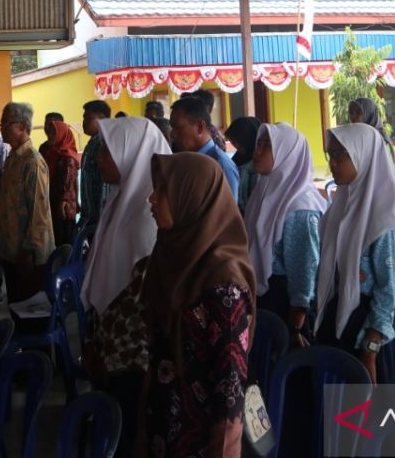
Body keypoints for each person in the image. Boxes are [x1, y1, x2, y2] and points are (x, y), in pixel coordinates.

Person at [140, 152, 256, 457]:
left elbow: (229, 389)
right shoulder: (170, 254)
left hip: (200, 437)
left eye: (163, 190)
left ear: (192, 196)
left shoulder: (224, 283)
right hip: (162, 417)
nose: (152, 199)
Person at [81, 116, 171, 457]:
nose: (100, 158)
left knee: (132, 432)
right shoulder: (120, 204)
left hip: (135, 359)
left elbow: (143, 303)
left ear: (131, 153)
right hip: (110, 349)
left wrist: (111, 352)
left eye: (108, 150)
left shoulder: (152, 216)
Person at [315, 124, 395, 385]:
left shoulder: (386, 221)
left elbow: (387, 290)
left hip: (370, 332)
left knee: (368, 417)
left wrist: (370, 350)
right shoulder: (340, 208)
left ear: (363, 156)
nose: (333, 163)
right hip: (340, 318)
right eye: (331, 155)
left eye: (341, 155)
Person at [245, 123, 325, 344]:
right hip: (263, 295)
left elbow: (304, 270)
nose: (257, 152)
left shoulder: (299, 207)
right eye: (258, 144)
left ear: (285, 153)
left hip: (286, 306)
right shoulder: (264, 190)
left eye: (266, 146)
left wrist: (295, 325)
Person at [0, 102, 56, 302]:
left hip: (27, 255)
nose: (1, 128)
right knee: (15, 305)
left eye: (6, 123)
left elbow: (39, 212)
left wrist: (29, 252)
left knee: (29, 311)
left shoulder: (33, 161)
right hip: (10, 251)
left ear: (22, 126)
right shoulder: (13, 157)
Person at [169, 96, 240, 201]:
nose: (173, 134)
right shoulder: (185, 160)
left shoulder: (221, 165)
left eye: (178, 127)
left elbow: (227, 213)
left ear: (200, 127)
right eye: (172, 127)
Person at [42, 119, 80, 246]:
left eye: (54, 133)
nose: (50, 136)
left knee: (64, 238)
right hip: (53, 200)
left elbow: (68, 183)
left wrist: (64, 201)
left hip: (63, 205)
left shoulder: (67, 157)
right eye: (50, 133)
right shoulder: (52, 153)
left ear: (62, 135)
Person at [79, 100, 112, 228]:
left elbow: (106, 185)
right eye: (84, 118)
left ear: (102, 120)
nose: (84, 122)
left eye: (89, 118)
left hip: (100, 219)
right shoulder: (92, 143)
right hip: (90, 217)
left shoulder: (103, 144)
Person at [224, 116, 261, 211]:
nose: (235, 145)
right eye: (232, 142)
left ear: (248, 139)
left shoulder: (259, 165)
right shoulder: (236, 159)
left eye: (237, 142)